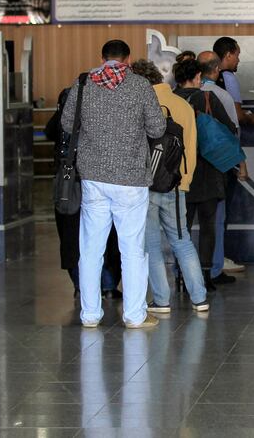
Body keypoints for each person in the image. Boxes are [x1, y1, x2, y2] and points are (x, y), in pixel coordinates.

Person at [61, 39, 165, 329]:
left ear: (102, 57)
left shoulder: (83, 84)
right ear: (127, 59)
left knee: (91, 249)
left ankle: (90, 315)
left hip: (93, 177)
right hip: (131, 179)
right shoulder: (140, 86)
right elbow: (157, 127)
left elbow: (68, 124)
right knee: (132, 249)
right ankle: (134, 315)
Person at [129, 59, 208, 314]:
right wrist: (184, 180)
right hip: (176, 185)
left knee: (151, 245)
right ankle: (200, 298)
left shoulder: (140, 104)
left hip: (147, 186)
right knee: (182, 241)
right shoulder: (182, 104)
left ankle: (161, 300)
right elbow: (191, 146)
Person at [45, 87, 123, 300]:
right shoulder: (100, 114)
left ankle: (81, 286)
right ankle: (107, 286)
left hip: (69, 183)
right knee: (106, 234)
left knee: (71, 236)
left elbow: (48, 131)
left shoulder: (64, 115)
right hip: (97, 179)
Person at [175, 56, 238, 291]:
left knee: (182, 227)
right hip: (208, 170)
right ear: (198, 77)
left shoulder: (170, 100)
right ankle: (204, 275)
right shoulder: (207, 98)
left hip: (179, 172)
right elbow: (229, 129)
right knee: (208, 225)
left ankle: (181, 274)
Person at [212, 37, 254, 275]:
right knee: (222, 209)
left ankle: (212, 259)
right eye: (237, 54)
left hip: (207, 153)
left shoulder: (206, 82)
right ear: (228, 54)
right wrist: (252, 117)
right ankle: (219, 259)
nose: (238, 59)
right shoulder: (229, 78)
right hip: (227, 153)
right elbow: (237, 116)